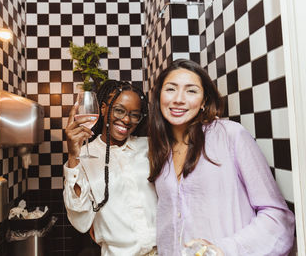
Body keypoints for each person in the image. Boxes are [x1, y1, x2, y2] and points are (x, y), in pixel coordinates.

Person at [147, 59, 295, 256]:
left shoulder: (230, 135)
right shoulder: (159, 150)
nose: (179, 99)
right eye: (171, 89)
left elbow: (279, 219)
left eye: (191, 91)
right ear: (159, 97)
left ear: (204, 101)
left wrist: (224, 250)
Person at [63, 80, 158, 256]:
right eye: (119, 110)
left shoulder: (150, 147)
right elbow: (81, 221)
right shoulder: (83, 156)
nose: (127, 120)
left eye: (135, 114)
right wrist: (73, 155)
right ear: (104, 108)